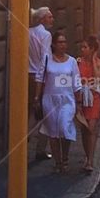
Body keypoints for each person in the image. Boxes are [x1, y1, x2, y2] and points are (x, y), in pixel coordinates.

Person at [35, 30, 81, 173]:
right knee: (53, 132)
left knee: (64, 127)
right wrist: (37, 97)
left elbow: (76, 82)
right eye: (60, 42)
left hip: (67, 99)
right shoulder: (47, 59)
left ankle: (65, 158)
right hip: (49, 99)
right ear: (54, 45)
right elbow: (40, 78)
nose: (63, 45)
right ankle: (58, 162)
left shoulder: (72, 61)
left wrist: (78, 102)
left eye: (64, 42)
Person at [77, 36, 100, 173]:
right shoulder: (78, 62)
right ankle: (87, 155)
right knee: (84, 129)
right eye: (82, 47)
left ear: (92, 49)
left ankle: (90, 161)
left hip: (94, 98)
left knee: (91, 129)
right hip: (82, 98)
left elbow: (98, 78)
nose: (82, 50)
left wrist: (93, 60)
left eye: (85, 47)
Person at [28, 7, 53, 161]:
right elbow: (45, 59)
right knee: (46, 114)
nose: (52, 19)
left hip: (27, 75)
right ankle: (40, 149)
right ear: (42, 19)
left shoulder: (28, 32)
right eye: (50, 17)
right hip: (40, 77)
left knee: (31, 111)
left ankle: (24, 142)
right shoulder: (46, 35)